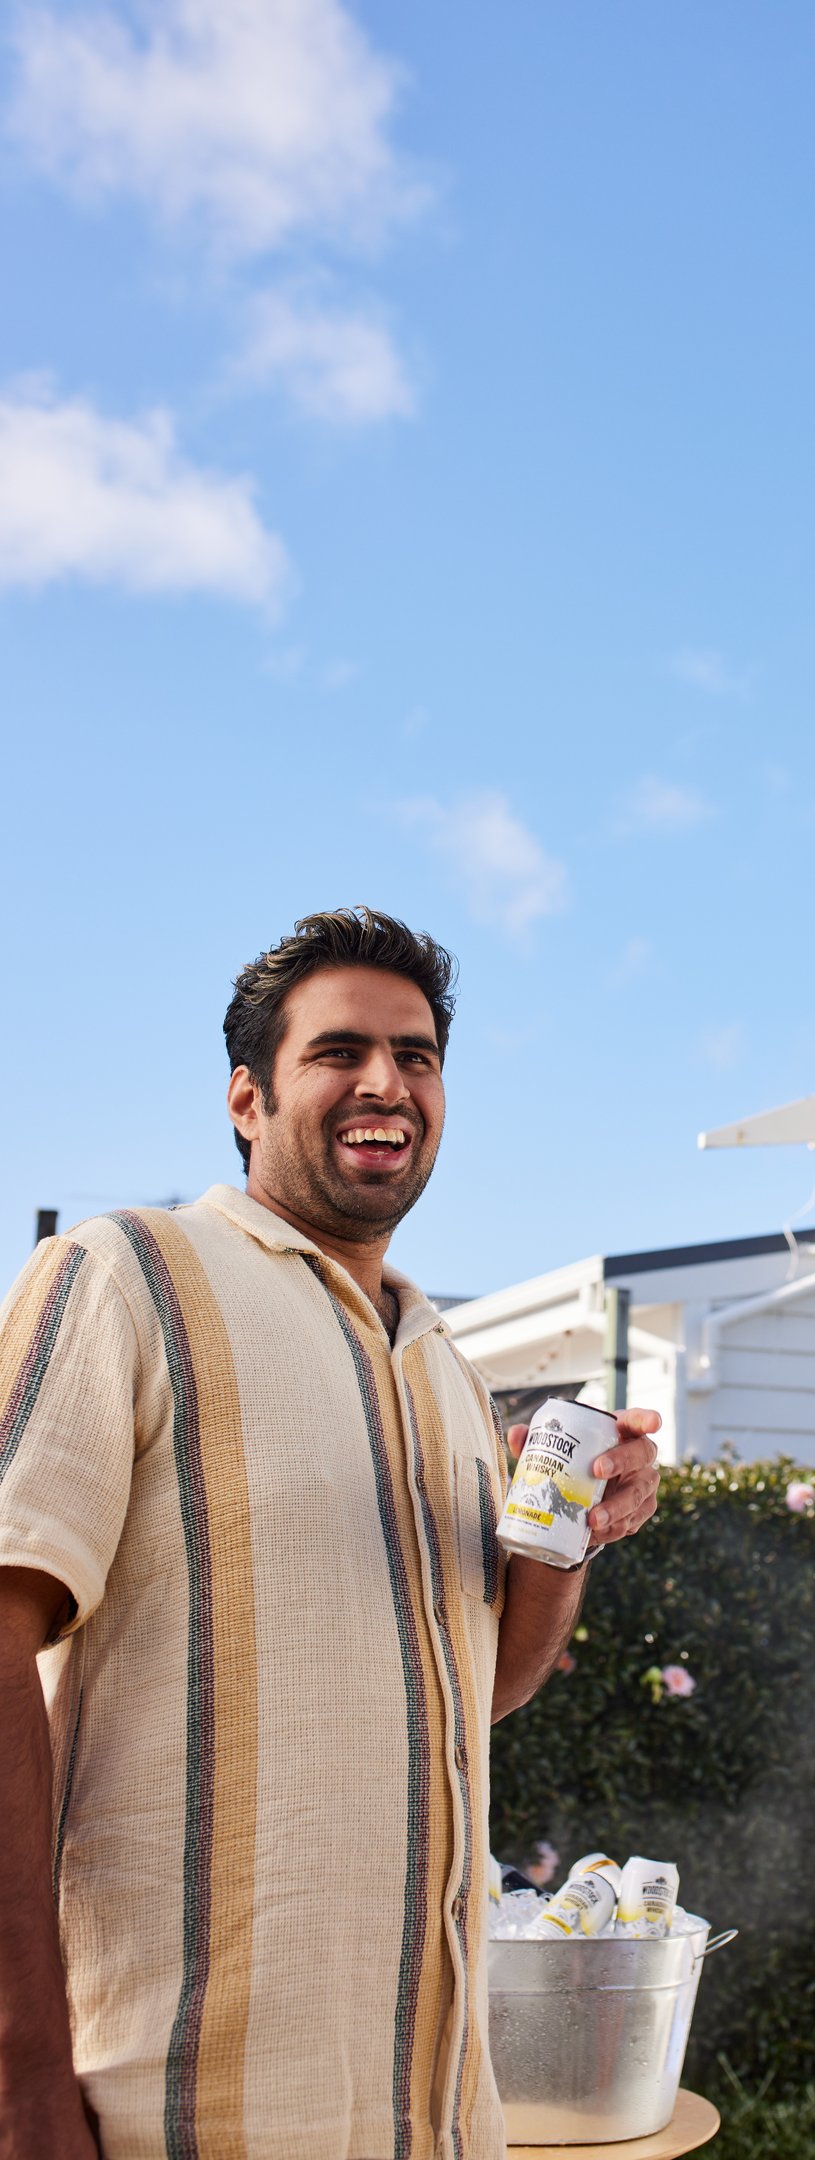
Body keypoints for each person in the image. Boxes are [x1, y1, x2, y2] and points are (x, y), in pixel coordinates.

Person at [0, 908, 662, 2160]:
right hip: (168, 2108)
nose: (385, 1083)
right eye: (338, 1052)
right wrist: (19, 2071)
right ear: (247, 1098)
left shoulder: (448, 1374)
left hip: (433, 2114)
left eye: (416, 1056)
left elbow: (482, 1691)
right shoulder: (129, 1275)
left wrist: (565, 1541)